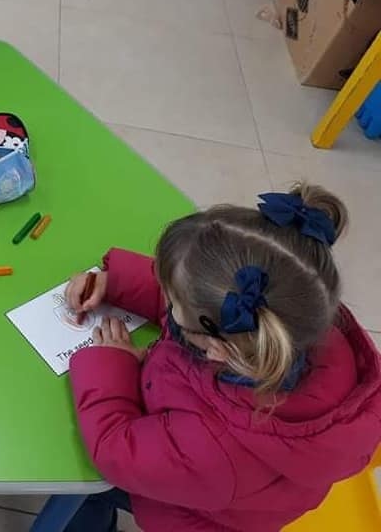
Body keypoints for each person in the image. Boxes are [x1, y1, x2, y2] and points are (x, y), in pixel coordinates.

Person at [63, 184, 381, 532]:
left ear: (215, 348)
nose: (168, 303)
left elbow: (115, 451)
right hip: (221, 477)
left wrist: (111, 364)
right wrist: (118, 282)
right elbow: (205, 298)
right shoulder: (292, 320)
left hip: (185, 511)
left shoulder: (215, 449)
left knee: (86, 486)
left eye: (172, 301)